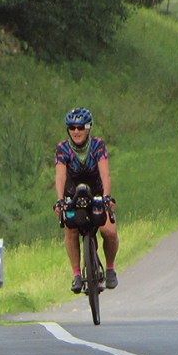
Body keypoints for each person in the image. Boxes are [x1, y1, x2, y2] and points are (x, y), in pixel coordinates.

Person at [54, 106, 119, 292]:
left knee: (109, 232)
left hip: (97, 191)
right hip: (73, 192)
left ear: (88, 128)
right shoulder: (62, 149)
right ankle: (76, 274)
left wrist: (106, 197)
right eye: (72, 127)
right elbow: (60, 176)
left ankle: (110, 269)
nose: (76, 131)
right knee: (70, 228)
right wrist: (60, 200)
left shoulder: (98, 145)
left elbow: (105, 174)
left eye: (81, 127)